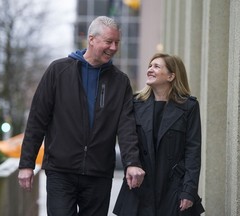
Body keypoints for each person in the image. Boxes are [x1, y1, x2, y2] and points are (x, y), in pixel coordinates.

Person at [18, 16, 145, 216]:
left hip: (98, 173)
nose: (113, 47)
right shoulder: (58, 71)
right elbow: (37, 120)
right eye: (109, 41)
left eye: (117, 42)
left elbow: (126, 126)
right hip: (60, 170)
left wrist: (132, 162)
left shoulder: (120, 82)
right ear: (92, 39)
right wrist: (27, 164)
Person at [113, 53, 205, 216]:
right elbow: (126, 138)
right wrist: (130, 164)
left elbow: (193, 151)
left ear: (171, 76)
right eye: (150, 66)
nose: (150, 69)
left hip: (173, 187)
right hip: (140, 186)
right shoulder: (135, 104)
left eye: (156, 66)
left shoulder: (189, 107)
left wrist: (189, 190)